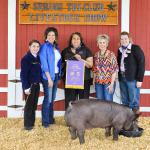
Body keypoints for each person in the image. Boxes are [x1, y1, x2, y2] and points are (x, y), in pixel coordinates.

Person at [61, 32, 93, 109]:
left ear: (81, 40)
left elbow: (90, 65)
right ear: (71, 40)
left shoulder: (86, 50)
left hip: (84, 81)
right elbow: (61, 65)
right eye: (74, 38)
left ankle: (83, 120)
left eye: (78, 38)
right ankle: (70, 120)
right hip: (70, 81)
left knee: (84, 103)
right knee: (70, 102)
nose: (76, 40)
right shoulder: (65, 51)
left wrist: (80, 60)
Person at [117, 31, 145, 114]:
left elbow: (142, 63)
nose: (123, 40)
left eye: (125, 38)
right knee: (124, 100)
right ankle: (126, 122)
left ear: (129, 39)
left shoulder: (135, 48)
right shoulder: (119, 50)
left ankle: (134, 123)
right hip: (122, 77)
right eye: (122, 39)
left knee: (134, 101)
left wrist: (140, 80)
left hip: (132, 79)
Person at [39, 27, 61, 128]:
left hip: (56, 75)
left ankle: (51, 119)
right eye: (49, 35)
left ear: (55, 37)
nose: (51, 37)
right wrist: (49, 78)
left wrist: (58, 75)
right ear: (46, 37)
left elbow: (58, 63)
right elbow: (44, 64)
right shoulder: (44, 47)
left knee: (52, 98)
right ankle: (45, 122)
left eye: (53, 35)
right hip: (48, 76)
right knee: (48, 99)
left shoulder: (56, 48)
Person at [20, 40, 41, 130]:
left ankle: (32, 124)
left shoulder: (38, 57)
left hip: (37, 85)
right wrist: (25, 87)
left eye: (37, 46)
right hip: (30, 86)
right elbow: (23, 74)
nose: (35, 48)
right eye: (33, 46)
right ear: (29, 47)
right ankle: (27, 126)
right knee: (29, 106)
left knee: (33, 105)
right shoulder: (26, 58)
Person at [92, 34, 118, 101]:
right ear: (97, 44)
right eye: (100, 42)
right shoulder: (96, 55)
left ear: (107, 44)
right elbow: (95, 69)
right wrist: (94, 81)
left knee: (108, 101)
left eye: (104, 42)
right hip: (98, 82)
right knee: (100, 102)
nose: (102, 44)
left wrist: (112, 84)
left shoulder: (111, 55)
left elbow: (114, 70)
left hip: (108, 82)